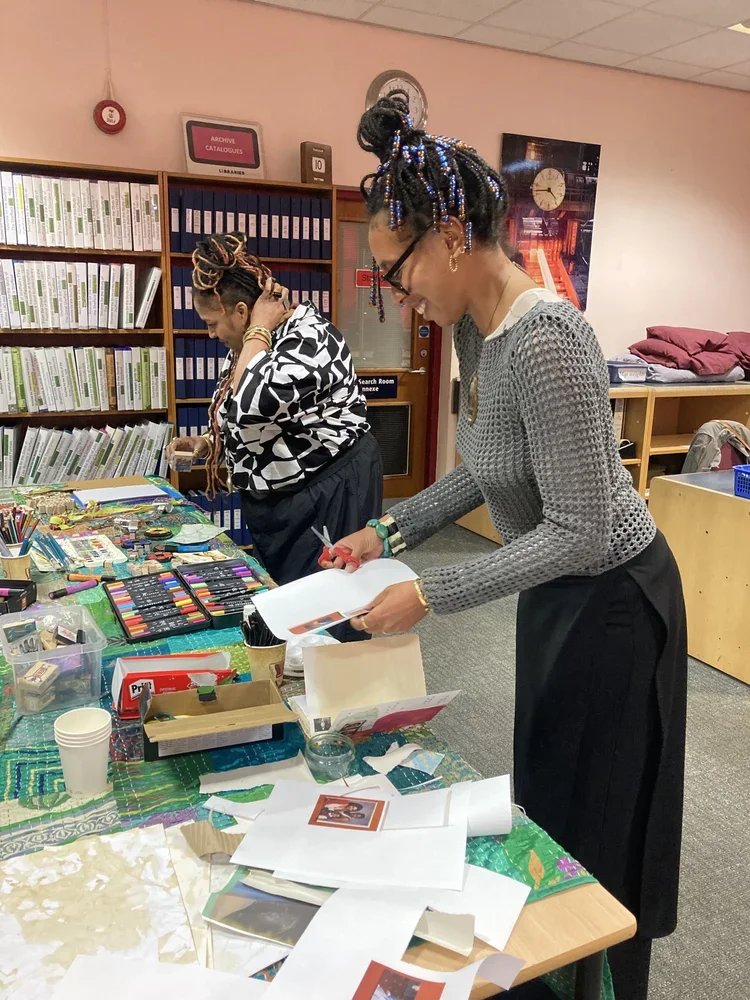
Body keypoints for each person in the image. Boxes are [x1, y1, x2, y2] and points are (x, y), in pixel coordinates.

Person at [325, 92, 687, 1000]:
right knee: (548, 797)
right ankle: (548, 971)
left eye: (396, 268)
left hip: (615, 602)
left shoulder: (548, 339)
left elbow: (582, 528)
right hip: (558, 593)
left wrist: (430, 592)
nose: (394, 292)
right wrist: (388, 530)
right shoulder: (474, 334)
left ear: (452, 236)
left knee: (599, 816)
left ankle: (598, 980)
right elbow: (487, 470)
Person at [167, 233, 382, 640]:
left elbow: (247, 405)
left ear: (243, 312)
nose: (210, 334)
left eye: (212, 323)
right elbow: (255, 419)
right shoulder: (256, 342)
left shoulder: (307, 337)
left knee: (329, 618)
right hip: (283, 501)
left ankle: (339, 676)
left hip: (327, 493)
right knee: (290, 611)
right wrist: (210, 444)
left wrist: (258, 330)